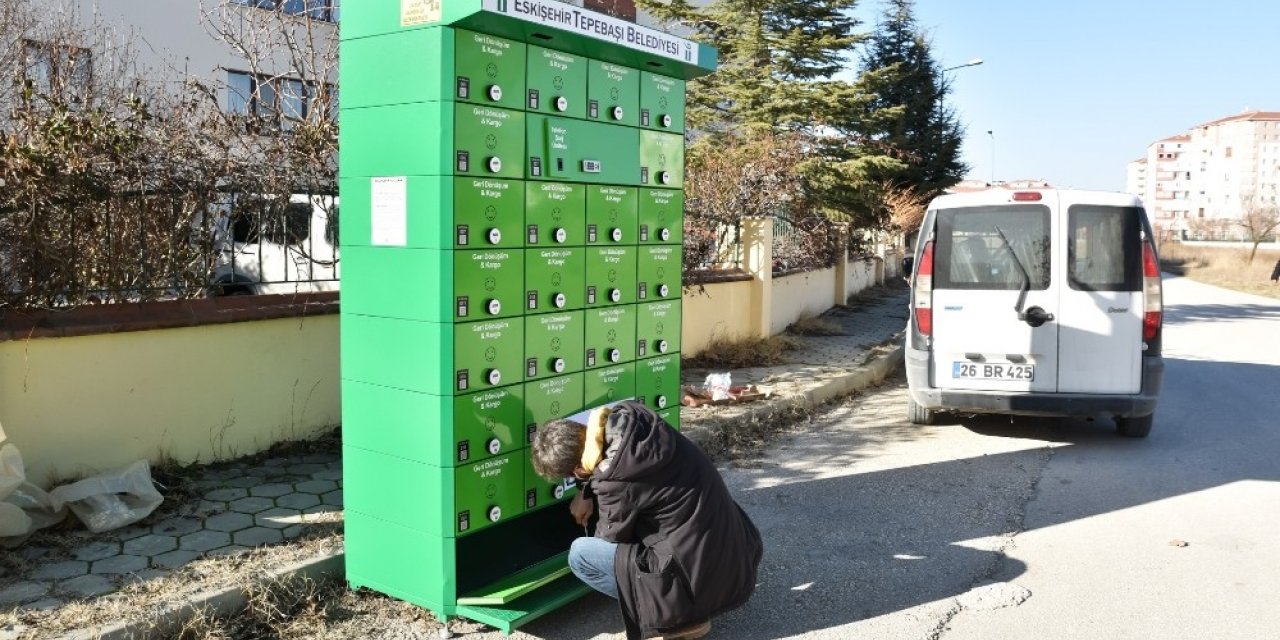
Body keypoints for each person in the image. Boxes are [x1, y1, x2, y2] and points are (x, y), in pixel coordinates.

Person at [532, 401, 763, 640]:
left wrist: (594, 492)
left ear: (577, 469)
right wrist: (587, 491)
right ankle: (682, 604)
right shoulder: (633, 417)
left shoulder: (614, 483)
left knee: (581, 554)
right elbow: (610, 465)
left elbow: (611, 539)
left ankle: (679, 620)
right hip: (736, 560)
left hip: (700, 584)